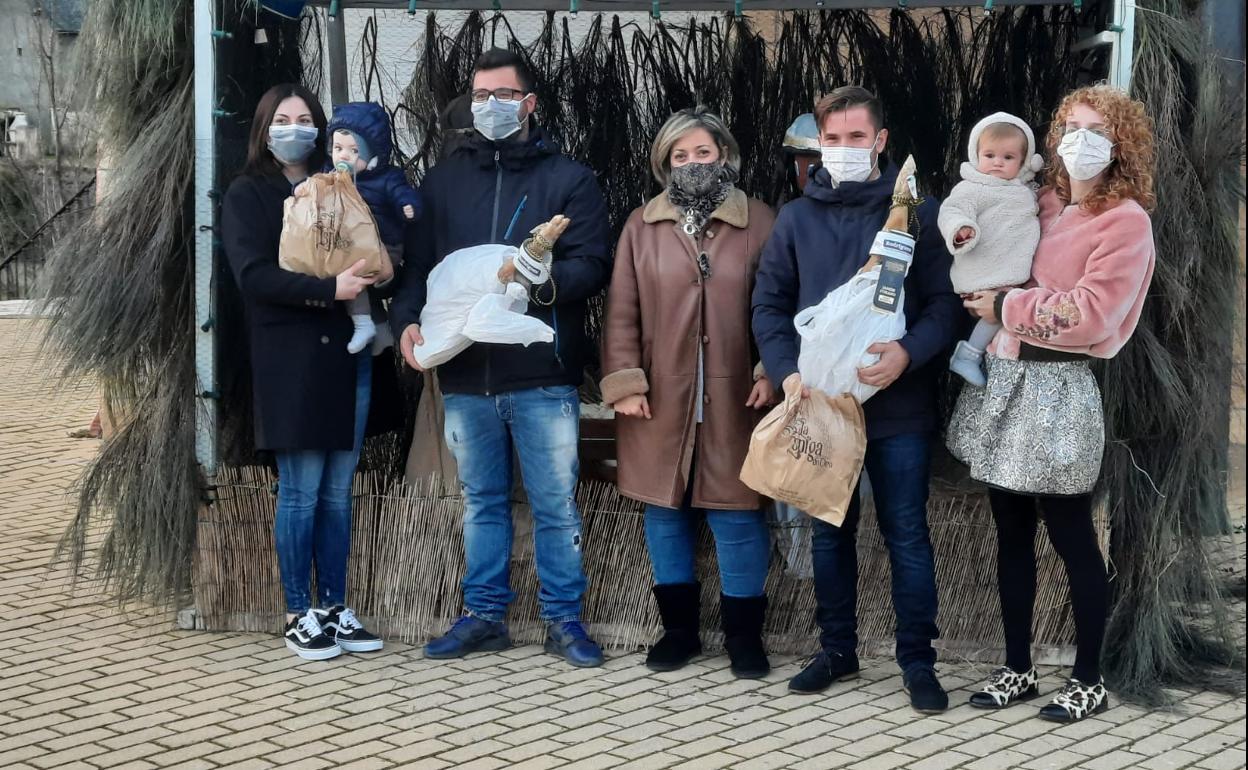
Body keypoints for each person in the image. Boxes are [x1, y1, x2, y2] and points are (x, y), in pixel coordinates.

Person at [389, 49, 612, 668]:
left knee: (554, 504)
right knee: (481, 503)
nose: (490, 105)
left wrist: (539, 285)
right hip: (466, 376)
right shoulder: (443, 182)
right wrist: (406, 322)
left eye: (504, 95)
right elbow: (417, 268)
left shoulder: (568, 180)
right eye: (481, 95)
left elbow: (593, 265)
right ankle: (484, 615)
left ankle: (564, 620)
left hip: (542, 374)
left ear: (529, 103)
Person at [949, 84, 1156, 723]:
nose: (1080, 141)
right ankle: (1019, 667)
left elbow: (1093, 313)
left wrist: (1005, 305)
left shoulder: (1125, 221)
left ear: (1120, 145)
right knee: (1010, 531)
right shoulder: (1043, 202)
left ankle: (1089, 678)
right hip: (1006, 379)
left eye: (1097, 131)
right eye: (1071, 128)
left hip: (1060, 389)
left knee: (1071, 535)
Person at [751, 86, 962, 713]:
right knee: (827, 535)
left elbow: (945, 305)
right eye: (833, 139)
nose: (843, 149)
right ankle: (837, 651)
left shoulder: (919, 213)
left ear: (880, 141)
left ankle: (918, 662)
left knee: (907, 535)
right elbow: (768, 304)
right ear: (819, 143)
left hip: (898, 406)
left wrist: (908, 353)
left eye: (856, 138)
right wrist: (787, 373)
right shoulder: (796, 219)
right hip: (821, 406)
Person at [600, 107, 778, 678]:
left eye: (703, 152)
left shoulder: (760, 221)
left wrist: (771, 370)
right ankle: (678, 633)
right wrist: (625, 382)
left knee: (738, 515)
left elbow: (779, 303)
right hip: (659, 397)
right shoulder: (642, 225)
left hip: (738, 396)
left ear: (725, 155)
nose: (693, 163)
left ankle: (744, 638)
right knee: (665, 510)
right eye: (680, 155)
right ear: (664, 163)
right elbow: (621, 310)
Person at [221, 83, 392, 661]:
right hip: (290, 359)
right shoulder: (248, 193)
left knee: (338, 493)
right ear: (263, 128)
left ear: (321, 129)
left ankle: (336, 607)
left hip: (347, 355)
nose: (294, 129)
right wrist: (328, 289)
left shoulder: (339, 184)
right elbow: (253, 276)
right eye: (282, 119)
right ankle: (299, 611)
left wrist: (377, 271)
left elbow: (367, 243)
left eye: (304, 119)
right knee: (300, 492)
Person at [290, 102, 420, 355]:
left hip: (385, 244)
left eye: (354, 150)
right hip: (349, 242)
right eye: (338, 148)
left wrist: (409, 206)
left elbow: (402, 193)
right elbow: (315, 183)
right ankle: (378, 327)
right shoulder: (331, 174)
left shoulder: (387, 178)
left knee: (351, 273)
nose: (343, 156)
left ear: (374, 154)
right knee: (345, 272)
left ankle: (364, 324)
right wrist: (302, 188)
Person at [939, 112, 1044, 387]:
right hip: (984, 271)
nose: (997, 162)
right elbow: (952, 211)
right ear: (976, 156)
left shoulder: (1024, 190)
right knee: (1002, 308)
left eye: (1008, 157)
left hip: (1008, 270)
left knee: (1008, 310)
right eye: (989, 155)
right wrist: (960, 229)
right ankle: (968, 355)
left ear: (1024, 161)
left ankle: (985, 357)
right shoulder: (972, 188)